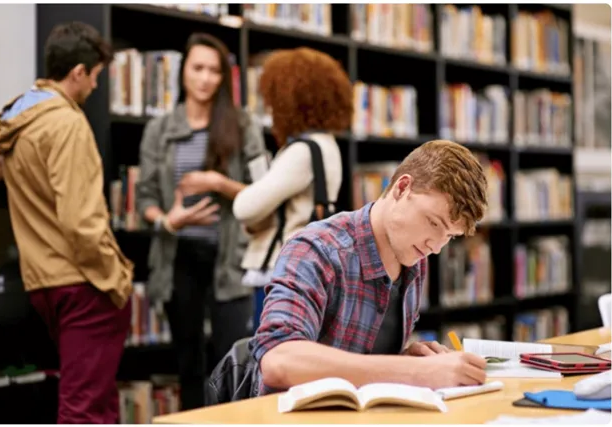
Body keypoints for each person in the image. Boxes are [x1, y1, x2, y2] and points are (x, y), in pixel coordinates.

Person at [249, 139, 490, 396]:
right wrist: (414, 373)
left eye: (450, 236)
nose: (437, 247)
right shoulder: (315, 250)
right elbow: (278, 361)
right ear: (402, 188)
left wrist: (406, 358)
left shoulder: (414, 257)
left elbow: (368, 359)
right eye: (433, 222)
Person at [0, 22, 134, 423]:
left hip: (43, 280)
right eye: (95, 77)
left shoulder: (20, 122)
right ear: (78, 73)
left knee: (90, 400)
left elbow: (8, 178)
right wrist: (116, 279)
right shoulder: (67, 124)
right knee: (85, 408)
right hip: (83, 283)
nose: (94, 87)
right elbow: (82, 221)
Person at [135, 32, 266, 410]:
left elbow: (266, 191)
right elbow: (144, 196)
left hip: (230, 257)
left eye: (214, 70)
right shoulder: (159, 130)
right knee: (188, 363)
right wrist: (168, 219)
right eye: (198, 68)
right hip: (179, 256)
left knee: (233, 362)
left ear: (225, 77)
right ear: (182, 73)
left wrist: (219, 183)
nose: (205, 78)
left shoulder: (242, 125)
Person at [232, 47, 353, 331]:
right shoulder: (328, 145)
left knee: (270, 352)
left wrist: (220, 184)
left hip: (283, 268)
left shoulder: (302, 151)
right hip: (309, 268)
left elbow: (244, 207)